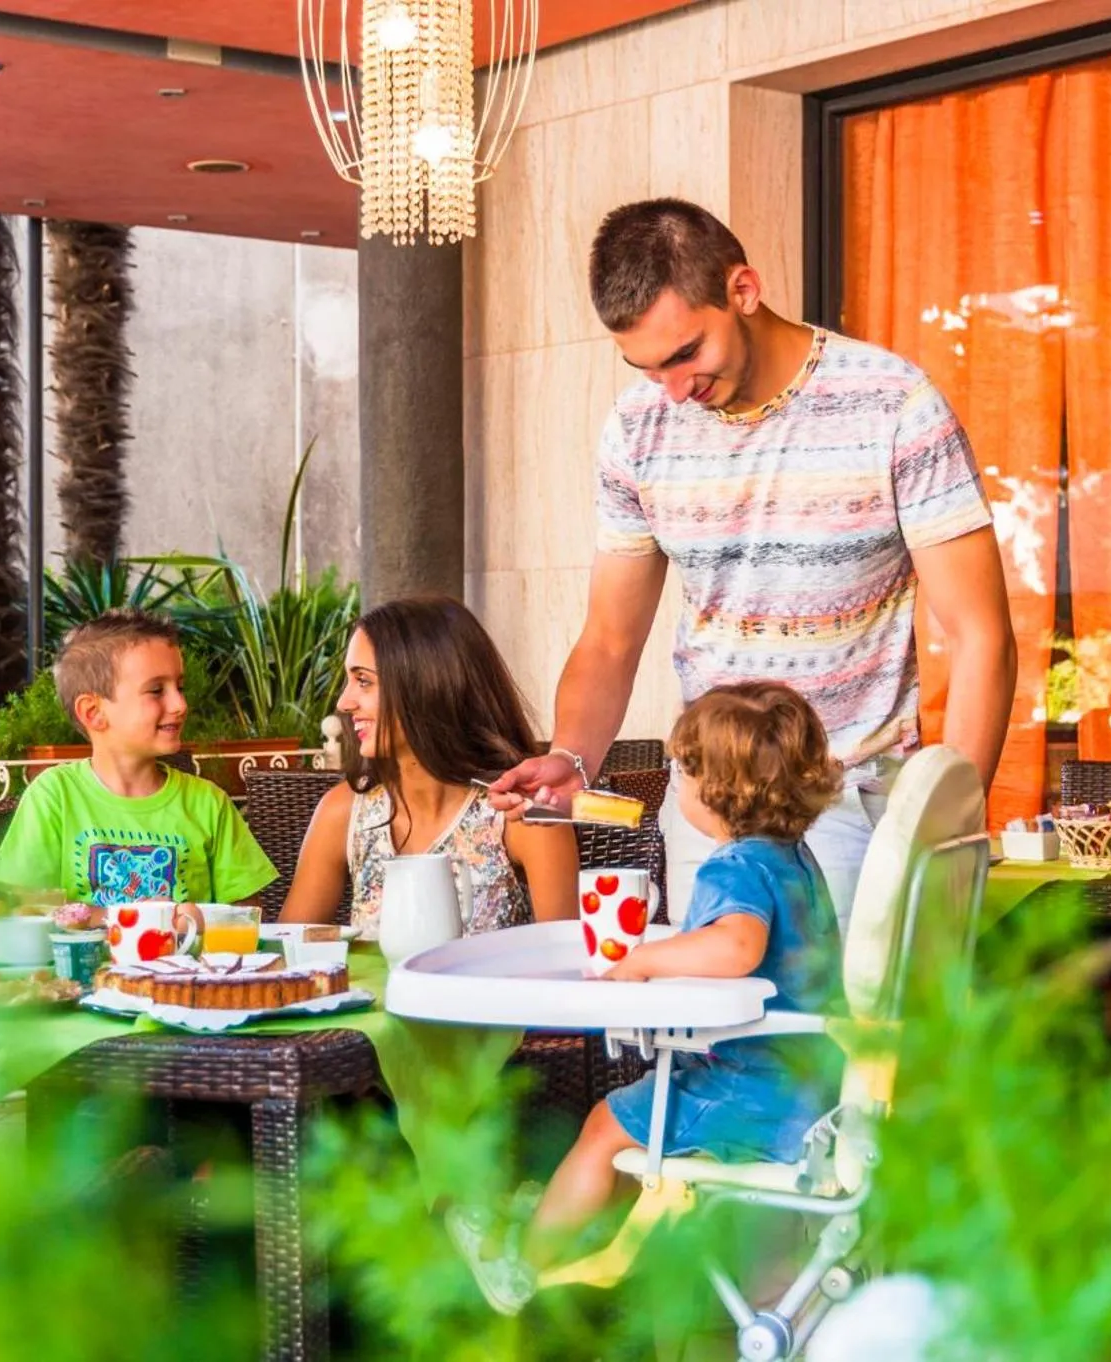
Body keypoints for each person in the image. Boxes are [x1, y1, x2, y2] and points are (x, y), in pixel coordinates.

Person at [491, 198, 1016, 927]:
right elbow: (610, 638)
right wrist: (573, 758)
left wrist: (945, 831)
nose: (673, 390)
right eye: (646, 368)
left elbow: (980, 635)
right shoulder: (637, 429)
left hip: (851, 806)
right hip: (707, 808)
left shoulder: (893, 404)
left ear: (743, 291)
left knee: (841, 1039)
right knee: (707, 1038)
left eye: (684, 354)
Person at [452, 682, 845, 1314]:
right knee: (642, 1150)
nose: (677, 785)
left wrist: (642, 960)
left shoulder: (735, 866)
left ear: (718, 789)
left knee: (607, 1125)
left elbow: (736, 947)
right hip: (808, 1084)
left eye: (682, 772)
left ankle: (522, 1264)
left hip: (750, 1090)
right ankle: (776, 1312)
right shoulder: (793, 860)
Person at [279, 596, 578, 937]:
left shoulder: (520, 814)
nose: (344, 702)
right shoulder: (343, 814)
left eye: (364, 681)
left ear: (426, 685)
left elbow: (566, 965)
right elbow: (289, 959)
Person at [0, 608, 276, 910]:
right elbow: (29, 913)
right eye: (156, 690)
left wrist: (197, 923)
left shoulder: (209, 805)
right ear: (94, 713)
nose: (180, 704)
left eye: (180, 687)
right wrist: (128, 921)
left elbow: (246, 918)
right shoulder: (53, 797)